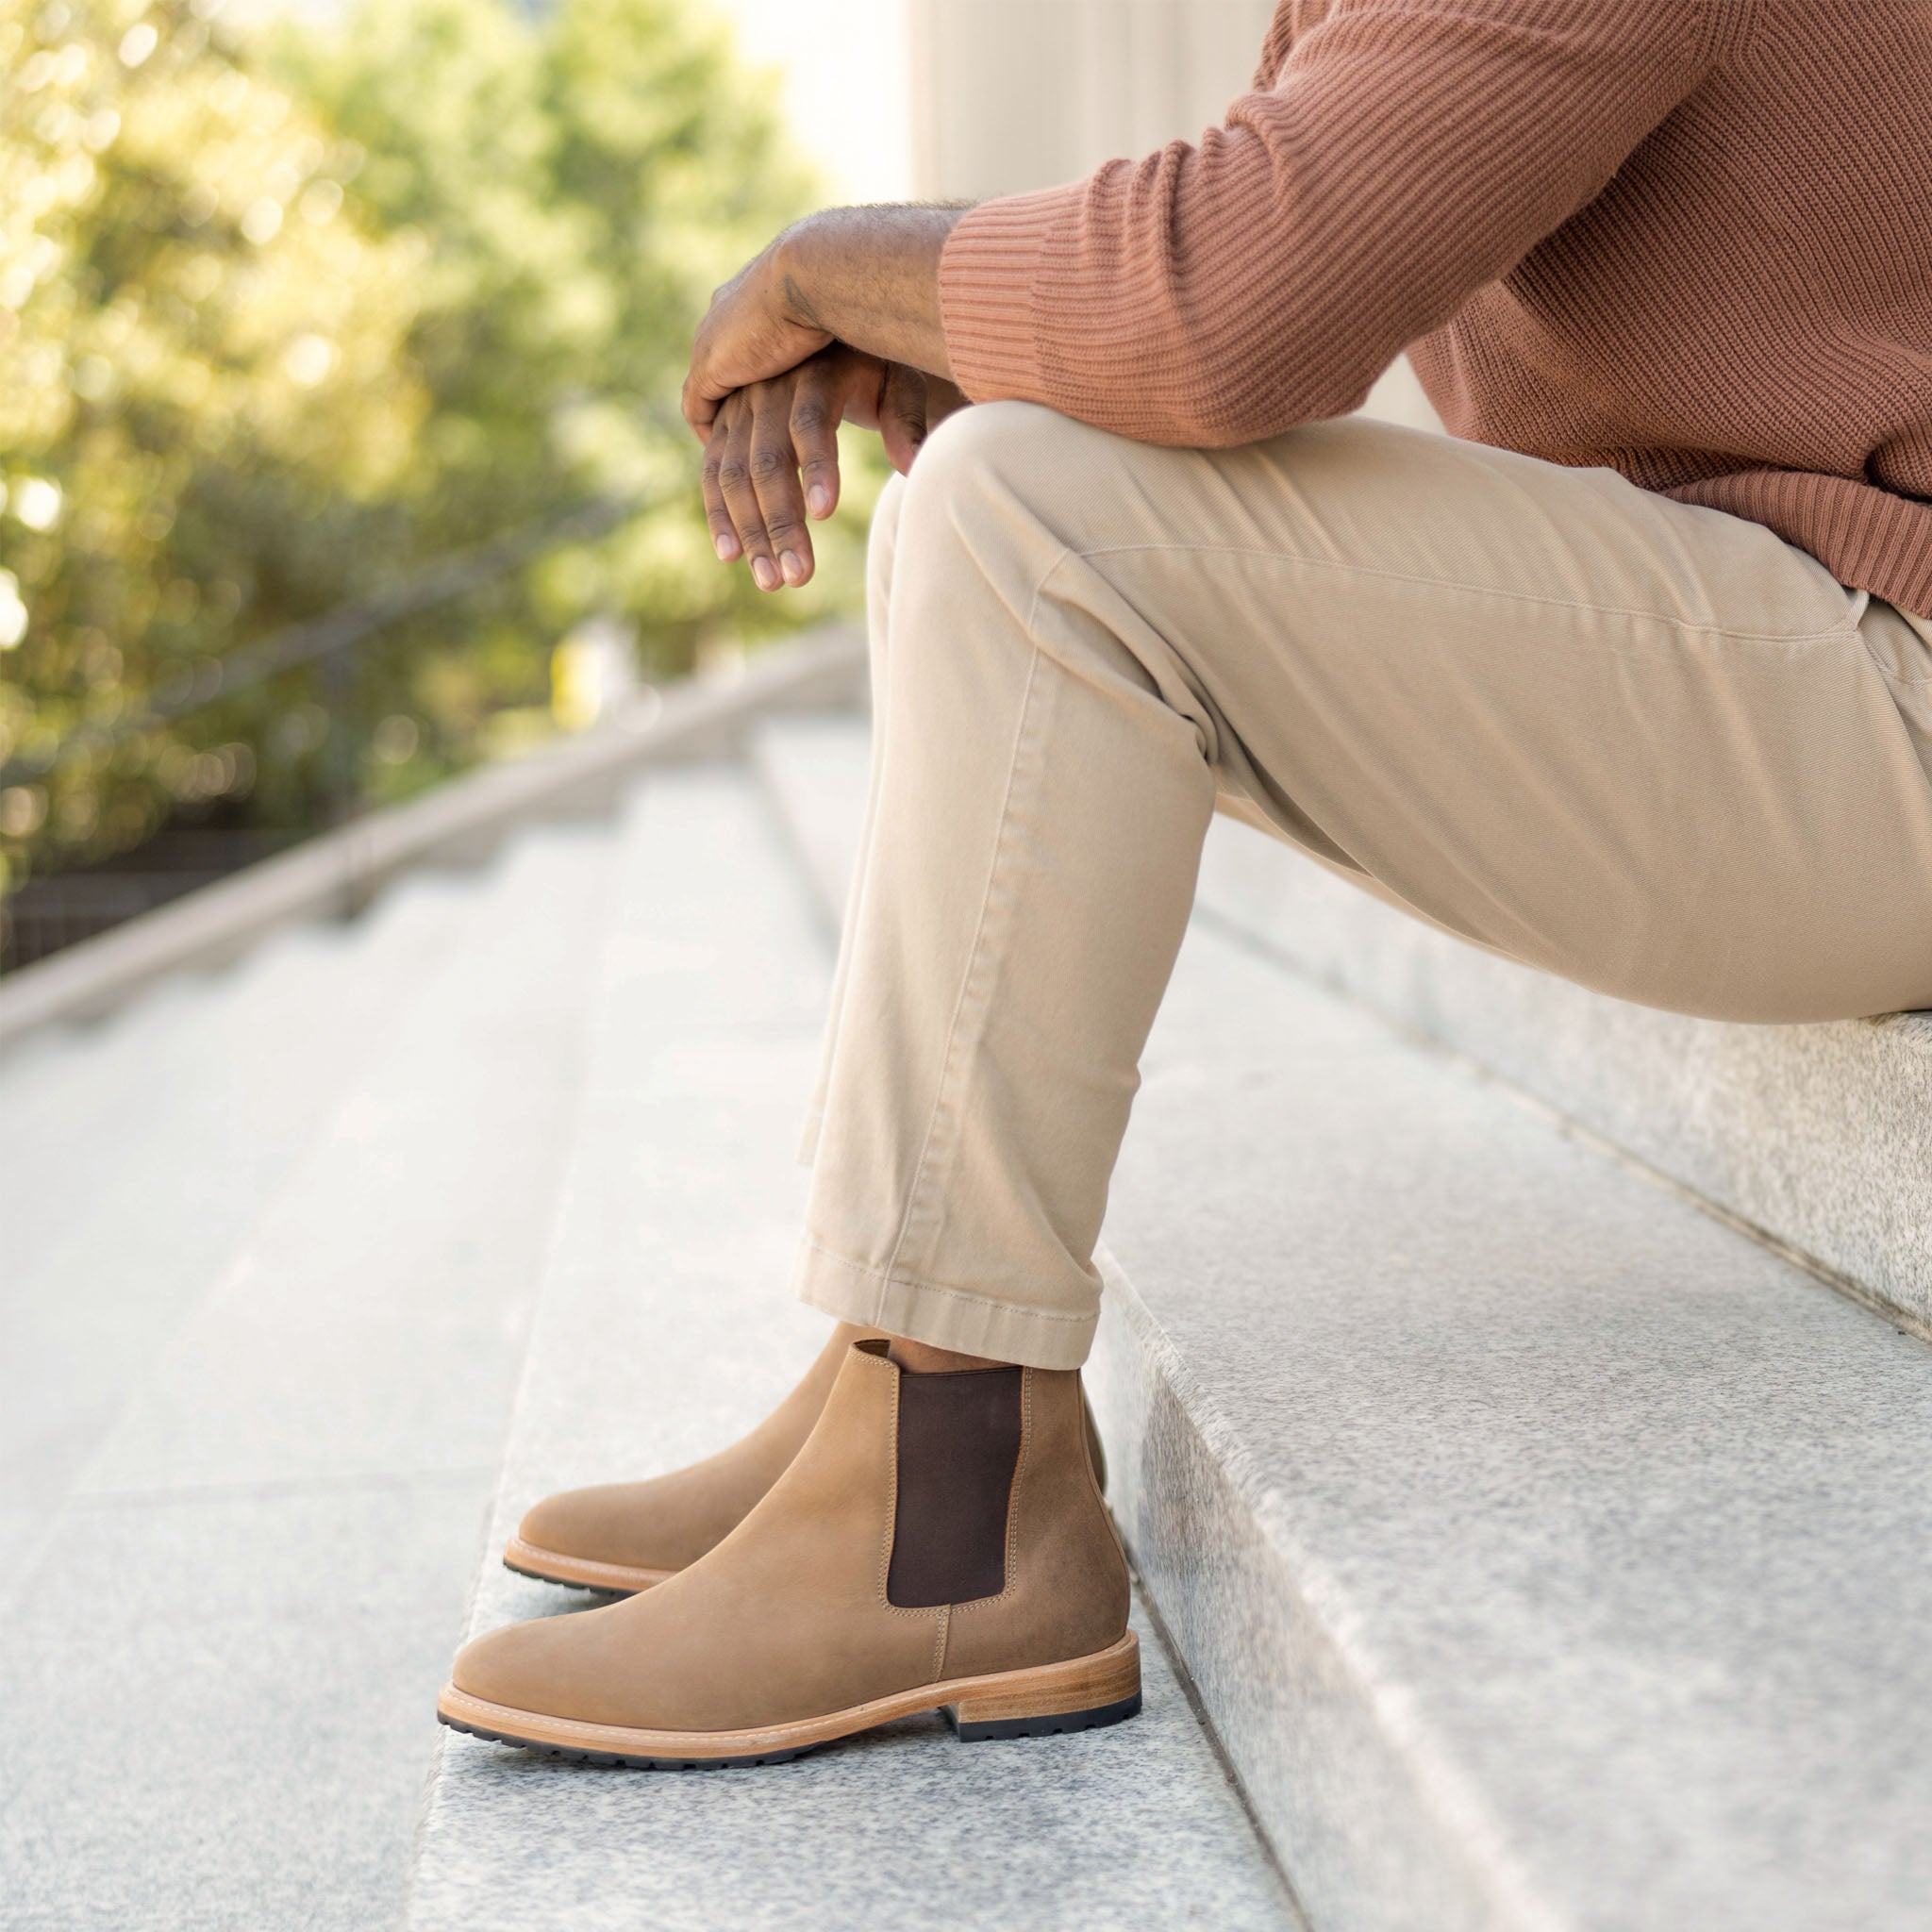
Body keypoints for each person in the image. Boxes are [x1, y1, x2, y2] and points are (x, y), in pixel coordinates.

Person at [437, 0, 1932, 1768]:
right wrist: (979, 326)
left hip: (1889, 682)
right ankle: (905, 1389)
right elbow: (1251, 238)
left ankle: (948, 1515)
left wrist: (829, 268)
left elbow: (1223, 301)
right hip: (1819, 662)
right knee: (982, 493)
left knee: (1036, 508)